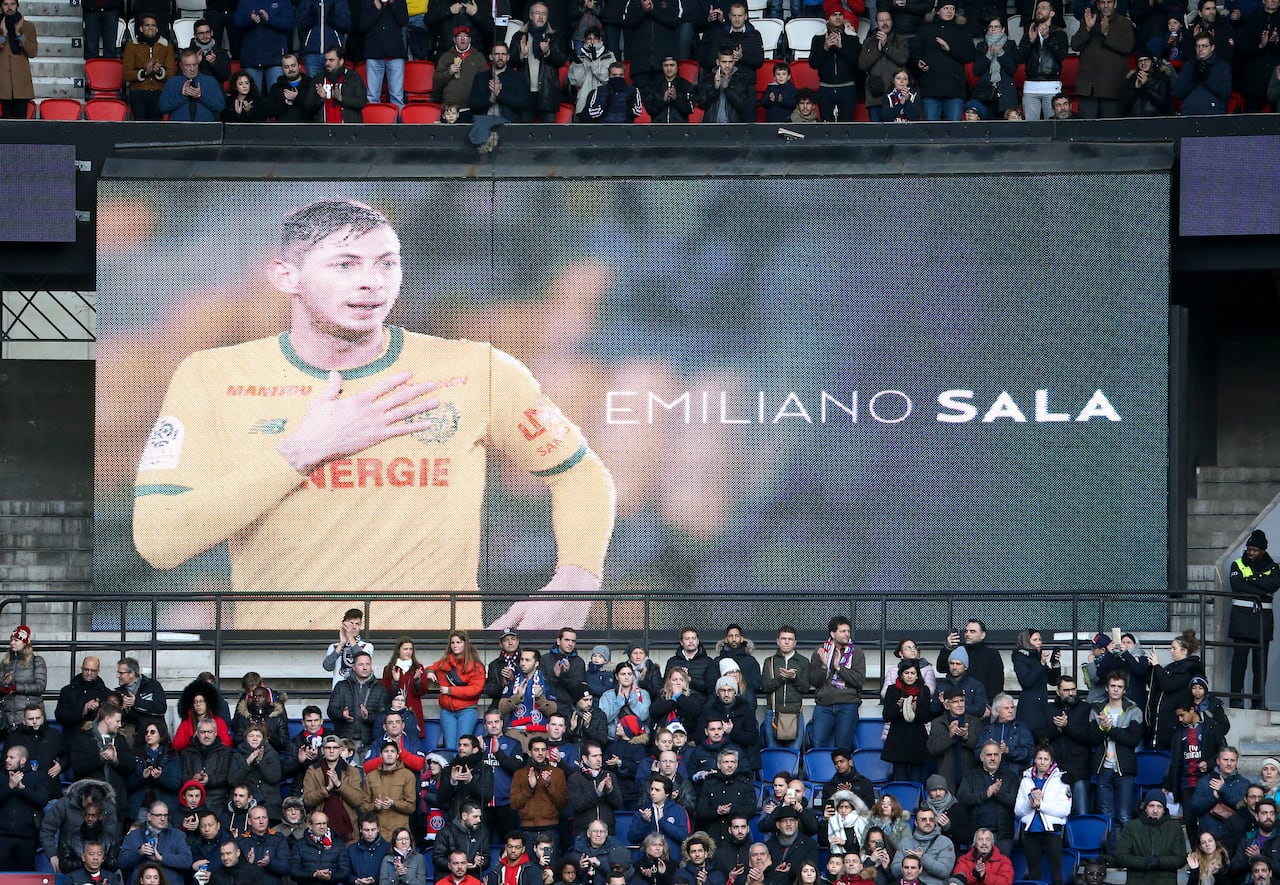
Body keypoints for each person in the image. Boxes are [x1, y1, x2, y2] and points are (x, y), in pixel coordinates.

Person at [134, 202, 617, 622]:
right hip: (286, 670)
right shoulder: (211, 374)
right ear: (286, 276)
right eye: (345, 265)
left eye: (386, 264)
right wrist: (304, 450)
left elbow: (581, 474)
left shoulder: (477, 368)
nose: (370, 283)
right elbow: (160, 541)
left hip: (435, 678)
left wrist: (575, 584)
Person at [1228, 529, 1279, 708]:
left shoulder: (1273, 567)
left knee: (1260, 665)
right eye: (1249, 549)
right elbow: (1237, 585)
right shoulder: (1237, 564)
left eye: (1255, 550)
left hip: (1262, 622)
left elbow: (1273, 585)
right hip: (1241, 620)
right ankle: (1236, 701)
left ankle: (1258, 702)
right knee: (1239, 662)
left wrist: (1251, 580)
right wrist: (1260, 588)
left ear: (1263, 551)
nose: (1250, 553)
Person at [1089, 672, 1143, 837]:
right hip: (1103, 767)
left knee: (1124, 815)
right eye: (1113, 686)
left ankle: (1125, 854)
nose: (1116, 689)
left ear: (1124, 690)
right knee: (1106, 815)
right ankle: (1109, 855)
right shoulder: (1097, 709)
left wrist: (1111, 729)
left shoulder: (1134, 710)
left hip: (1124, 769)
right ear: (1106, 687)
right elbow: (1091, 739)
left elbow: (1133, 740)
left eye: (1119, 687)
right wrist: (1101, 728)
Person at [909, 0, 975, 121]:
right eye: (946, 8)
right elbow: (914, 51)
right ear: (938, 10)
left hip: (954, 90)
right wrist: (918, 62)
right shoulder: (925, 29)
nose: (949, 11)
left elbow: (970, 55)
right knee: (931, 134)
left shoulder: (961, 30)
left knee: (954, 132)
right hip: (930, 90)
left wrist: (949, 49)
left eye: (952, 8)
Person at [69, 705, 136, 823]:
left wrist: (116, 761)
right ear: (107, 719)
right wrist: (99, 759)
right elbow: (77, 767)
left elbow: (131, 767)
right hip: (89, 804)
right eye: (117, 721)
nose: (120, 725)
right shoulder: (83, 738)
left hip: (116, 803)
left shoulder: (120, 740)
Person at [1014, 746, 1070, 885]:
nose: (1042, 762)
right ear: (1035, 760)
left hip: (1052, 832)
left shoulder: (1061, 779)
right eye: (1039, 758)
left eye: (1046, 759)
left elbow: (1064, 810)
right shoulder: (1026, 780)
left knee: (1056, 874)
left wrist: (1041, 805)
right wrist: (1030, 803)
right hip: (1031, 831)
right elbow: (1018, 810)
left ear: (1051, 761)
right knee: (1034, 874)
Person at [1070, 0, 1135, 117]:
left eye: (1109, 2)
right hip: (1087, 89)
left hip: (1111, 89)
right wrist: (1087, 29)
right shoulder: (1089, 20)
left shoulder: (1124, 23)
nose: (1105, 6)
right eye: (1102, 2)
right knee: (1086, 131)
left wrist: (1107, 33)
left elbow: (1127, 47)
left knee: (1111, 133)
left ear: (1115, 4)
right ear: (1098, 5)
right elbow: (1075, 45)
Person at [809, 617, 864, 751]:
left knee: (843, 747)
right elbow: (814, 681)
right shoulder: (820, 651)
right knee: (817, 744)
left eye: (848, 631)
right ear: (833, 634)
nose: (847, 634)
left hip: (847, 705)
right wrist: (823, 665)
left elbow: (859, 681)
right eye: (842, 631)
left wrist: (839, 668)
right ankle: (821, 772)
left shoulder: (856, 652)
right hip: (824, 706)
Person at [425, 632, 485, 750]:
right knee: (450, 746)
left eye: (458, 642)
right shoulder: (445, 661)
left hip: (467, 710)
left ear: (465, 644)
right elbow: (431, 667)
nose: (455, 645)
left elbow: (475, 690)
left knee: (463, 746)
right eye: (452, 642)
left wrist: (450, 691)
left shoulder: (476, 666)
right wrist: (430, 672)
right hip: (447, 711)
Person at [510, 736, 568, 855]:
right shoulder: (519, 774)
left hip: (550, 828)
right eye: (536, 750)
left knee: (550, 868)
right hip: (527, 830)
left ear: (547, 752)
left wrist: (548, 785)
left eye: (543, 750)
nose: (540, 753)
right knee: (529, 870)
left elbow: (562, 804)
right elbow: (514, 804)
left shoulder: (557, 773)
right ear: (530, 752)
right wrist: (529, 788)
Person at [957, 742, 1018, 857]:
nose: (993, 758)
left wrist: (998, 793)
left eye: (996, 755)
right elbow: (962, 798)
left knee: (1000, 872)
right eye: (989, 755)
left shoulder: (1011, 777)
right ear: (981, 757)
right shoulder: (971, 776)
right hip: (976, 834)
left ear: (1000, 757)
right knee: (977, 872)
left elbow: (1016, 802)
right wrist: (986, 794)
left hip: (1003, 836)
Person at [1147, 629, 1204, 750]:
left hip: (1174, 718)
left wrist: (1157, 666)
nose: (1171, 651)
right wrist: (1152, 667)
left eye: (1174, 648)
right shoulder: (1171, 667)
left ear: (1184, 651)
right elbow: (1157, 683)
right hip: (1161, 719)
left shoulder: (1190, 668)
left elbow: (1169, 685)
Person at [508, 2, 567, 120]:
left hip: (547, 93)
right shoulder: (519, 36)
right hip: (525, 94)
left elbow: (561, 61)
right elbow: (510, 62)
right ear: (530, 16)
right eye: (537, 13)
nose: (541, 17)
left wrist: (547, 53)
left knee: (548, 135)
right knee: (525, 134)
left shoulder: (554, 37)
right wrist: (521, 55)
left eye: (544, 14)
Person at [302, 735, 365, 844]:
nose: (331, 751)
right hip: (320, 829)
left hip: (348, 831)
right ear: (322, 750)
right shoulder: (312, 771)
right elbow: (308, 800)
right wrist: (327, 789)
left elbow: (357, 800)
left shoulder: (352, 772)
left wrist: (339, 785)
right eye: (328, 748)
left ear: (340, 750)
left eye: (335, 748)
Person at [1114, 790, 1186, 885]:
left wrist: (1159, 861)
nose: (1155, 810)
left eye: (1159, 806)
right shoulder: (1131, 827)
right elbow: (1121, 857)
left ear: (1164, 809)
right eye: (1151, 805)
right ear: (1145, 808)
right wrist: (1145, 862)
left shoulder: (1175, 828)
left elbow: (1180, 858)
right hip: (1137, 881)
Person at [881, 659, 932, 782]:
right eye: (906, 672)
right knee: (900, 780)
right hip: (898, 740)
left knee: (916, 781)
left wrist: (915, 709)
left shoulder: (923, 690)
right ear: (901, 674)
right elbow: (887, 715)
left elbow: (926, 716)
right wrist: (899, 708)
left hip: (917, 740)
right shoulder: (892, 690)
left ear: (917, 675)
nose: (909, 676)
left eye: (913, 673)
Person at [760, 626, 809, 751]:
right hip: (773, 713)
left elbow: (805, 688)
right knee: (773, 753)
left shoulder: (803, 661)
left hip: (795, 713)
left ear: (795, 642)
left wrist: (794, 677)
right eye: (783, 638)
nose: (786, 642)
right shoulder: (769, 661)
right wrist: (781, 678)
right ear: (777, 641)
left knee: (794, 753)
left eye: (790, 639)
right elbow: (765, 687)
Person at [0, 744, 48, 869]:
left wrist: (22, 788)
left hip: (27, 837)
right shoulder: (1, 777)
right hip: (2, 837)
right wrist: (9, 787)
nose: (7, 760)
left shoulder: (36, 777)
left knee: (25, 876)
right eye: (6, 757)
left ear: (22, 760)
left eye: (11, 757)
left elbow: (42, 800)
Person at [120, 802, 194, 883]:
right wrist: (139, 852)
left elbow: (187, 862)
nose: (163, 819)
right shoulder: (134, 835)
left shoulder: (177, 835)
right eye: (158, 815)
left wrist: (162, 858)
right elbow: (122, 863)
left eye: (165, 815)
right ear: (149, 816)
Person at [1018, 0, 1068, 119]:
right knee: (1031, 128)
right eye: (1038, 8)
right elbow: (1020, 57)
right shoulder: (1029, 31)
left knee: (1052, 128)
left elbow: (1061, 56)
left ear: (1052, 13)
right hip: (1030, 86)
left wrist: (1048, 38)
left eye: (1043, 8)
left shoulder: (1059, 33)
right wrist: (1030, 41)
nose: (1039, 10)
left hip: (1051, 86)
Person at [809, 10, 860, 123]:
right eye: (834, 14)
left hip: (847, 88)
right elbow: (813, 63)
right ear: (828, 17)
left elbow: (858, 63)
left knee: (847, 126)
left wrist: (842, 48)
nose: (838, 17)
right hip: (825, 88)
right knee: (826, 127)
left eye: (840, 14)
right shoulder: (818, 38)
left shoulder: (852, 37)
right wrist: (825, 47)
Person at [122, 14, 176, 121]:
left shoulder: (167, 46)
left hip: (159, 92)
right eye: (147, 25)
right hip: (138, 92)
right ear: (141, 28)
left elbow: (171, 73)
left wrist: (160, 71)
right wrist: (144, 72)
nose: (151, 28)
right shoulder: (131, 46)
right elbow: (126, 74)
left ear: (157, 28)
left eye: (153, 25)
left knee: (156, 127)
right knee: (141, 127)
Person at [859, 11, 911, 120]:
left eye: (887, 20)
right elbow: (863, 65)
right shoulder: (869, 41)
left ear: (892, 22)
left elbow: (902, 59)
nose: (885, 23)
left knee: (895, 135)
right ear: (876, 23)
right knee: (876, 134)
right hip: (875, 97)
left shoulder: (900, 40)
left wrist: (886, 45)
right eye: (881, 20)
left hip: (896, 97)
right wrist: (878, 49)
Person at [233, 0, 294, 94]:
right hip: (252, 59)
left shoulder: (283, 1)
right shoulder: (245, 1)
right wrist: (250, 20)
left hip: (275, 59)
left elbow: (289, 23)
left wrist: (270, 19)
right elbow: (236, 22)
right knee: (252, 100)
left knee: (276, 98)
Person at [888, 807, 954, 885]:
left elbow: (944, 871)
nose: (928, 822)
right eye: (923, 819)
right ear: (916, 823)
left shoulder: (945, 842)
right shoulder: (905, 842)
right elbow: (895, 871)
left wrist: (923, 858)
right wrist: (909, 861)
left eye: (931, 819)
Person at [361, 0, 409, 108]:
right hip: (374, 54)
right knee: (372, 97)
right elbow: (362, 26)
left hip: (395, 54)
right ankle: (373, 124)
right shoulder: (368, 2)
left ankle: (398, 124)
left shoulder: (399, 1)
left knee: (397, 97)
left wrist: (392, 4)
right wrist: (376, 10)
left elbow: (404, 21)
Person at [1173, 33, 1232, 113]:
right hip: (1190, 112)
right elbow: (1178, 93)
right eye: (1198, 46)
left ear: (1212, 47)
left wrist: (1207, 78)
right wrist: (1193, 80)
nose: (1200, 49)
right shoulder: (1189, 65)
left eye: (1204, 46)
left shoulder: (1222, 66)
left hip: (1213, 113)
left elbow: (1225, 93)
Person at [295, 0, 350, 82]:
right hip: (312, 53)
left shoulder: (339, 1)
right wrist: (312, 19)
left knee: (335, 86)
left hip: (334, 54)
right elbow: (300, 24)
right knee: (313, 88)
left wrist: (333, 20)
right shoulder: (306, 1)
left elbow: (347, 25)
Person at [695, 46, 754, 122]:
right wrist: (715, 88)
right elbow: (702, 104)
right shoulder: (708, 79)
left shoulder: (741, 80)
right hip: (712, 128)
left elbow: (742, 107)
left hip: (732, 128)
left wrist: (728, 88)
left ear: (734, 62)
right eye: (724, 62)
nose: (727, 65)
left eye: (730, 62)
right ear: (717, 62)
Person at [292, 811, 352, 885]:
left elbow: (345, 872)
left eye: (324, 823)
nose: (322, 827)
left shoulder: (339, 845)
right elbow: (293, 872)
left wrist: (331, 876)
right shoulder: (299, 845)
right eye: (318, 824)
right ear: (310, 825)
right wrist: (314, 874)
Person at [569, 27, 616, 117]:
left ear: (600, 39)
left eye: (595, 38)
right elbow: (577, 82)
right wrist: (578, 64)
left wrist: (594, 62)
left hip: (604, 101)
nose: (592, 42)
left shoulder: (610, 56)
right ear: (585, 41)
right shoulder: (581, 58)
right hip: (584, 101)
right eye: (589, 39)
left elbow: (607, 78)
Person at [117, 657, 169, 738]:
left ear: (132, 674)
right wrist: (122, 708)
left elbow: (161, 708)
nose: (118, 676)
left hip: (154, 735)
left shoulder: (152, 685)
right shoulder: (119, 692)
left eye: (121, 673)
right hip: (133, 738)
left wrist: (136, 702)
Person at [979, 694, 1034, 770]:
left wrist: (1008, 750)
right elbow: (978, 753)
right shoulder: (988, 730)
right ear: (997, 711)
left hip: (1015, 775)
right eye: (1006, 708)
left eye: (1012, 707)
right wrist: (989, 750)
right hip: (991, 774)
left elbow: (1029, 753)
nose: (1011, 711)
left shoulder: (1021, 728)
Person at [57, 657, 111, 731]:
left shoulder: (106, 693)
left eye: (93, 670)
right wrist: (82, 711)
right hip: (72, 735)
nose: (89, 673)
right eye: (86, 669)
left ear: (98, 671)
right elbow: (60, 717)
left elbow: (110, 718)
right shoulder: (67, 691)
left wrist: (99, 707)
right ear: (82, 669)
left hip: (96, 736)